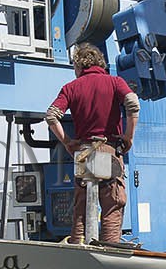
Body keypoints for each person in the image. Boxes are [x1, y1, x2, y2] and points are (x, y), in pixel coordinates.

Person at [45, 43, 140, 244]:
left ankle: (77, 251)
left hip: (85, 151)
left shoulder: (71, 88)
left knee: (81, 206)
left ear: (79, 67)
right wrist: (128, 135)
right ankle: (109, 253)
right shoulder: (114, 82)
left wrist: (68, 142)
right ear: (100, 63)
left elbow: (52, 116)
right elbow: (132, 103)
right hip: (108, 148)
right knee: (112, 204)